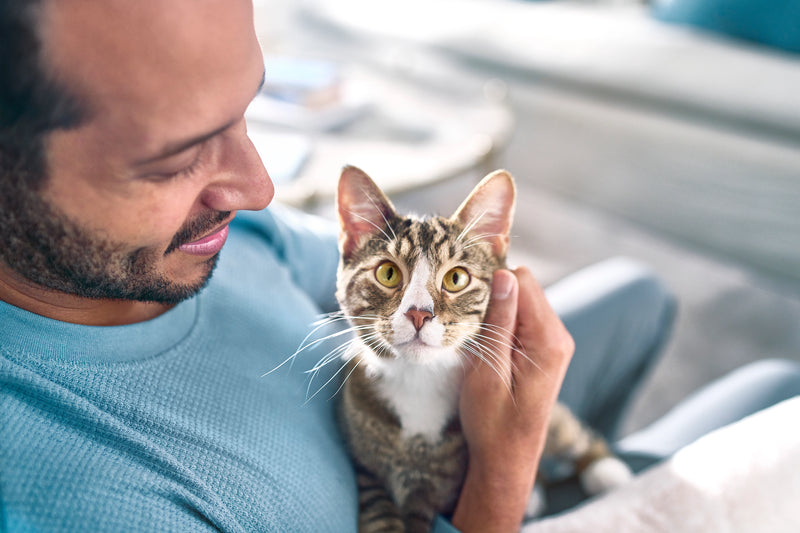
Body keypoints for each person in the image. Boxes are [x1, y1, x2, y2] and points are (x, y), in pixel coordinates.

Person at [1, 1, 798, 532]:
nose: (259, 189)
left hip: (428, 406)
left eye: (243, 115)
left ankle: (583, 462)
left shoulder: (200, 237)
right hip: (477, 494)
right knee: (771, 389)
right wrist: (505, 462)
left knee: (642, 292)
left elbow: (356, 268)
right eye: (175, 161)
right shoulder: (92, 499)